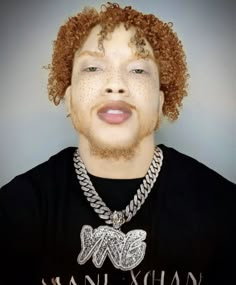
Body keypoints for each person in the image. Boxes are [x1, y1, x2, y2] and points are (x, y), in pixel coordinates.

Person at [0, 3, 235, 285]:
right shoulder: (14, 208)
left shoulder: (224, 207)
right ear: (70, 97)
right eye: (93, 67)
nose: (115, 84)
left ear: (160, 102)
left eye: (138, 69)